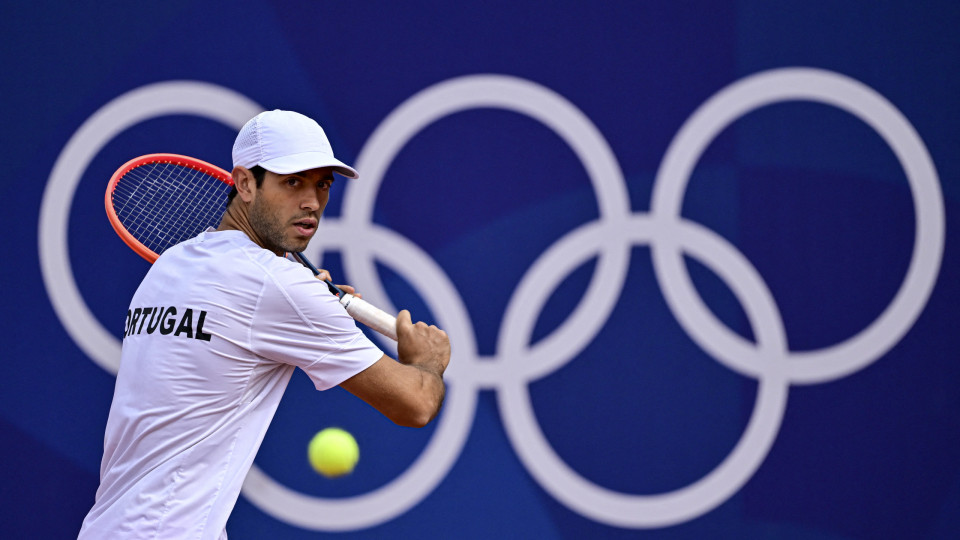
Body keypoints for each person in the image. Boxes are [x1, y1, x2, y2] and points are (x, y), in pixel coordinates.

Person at [78, 110, 451, 539]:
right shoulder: (279, 288)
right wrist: (428, 362)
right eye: (293, 182)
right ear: (245, 183)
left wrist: (305, 303)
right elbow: (415, 404)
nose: (312, 201)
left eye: (322, 184)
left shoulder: (171, 266)